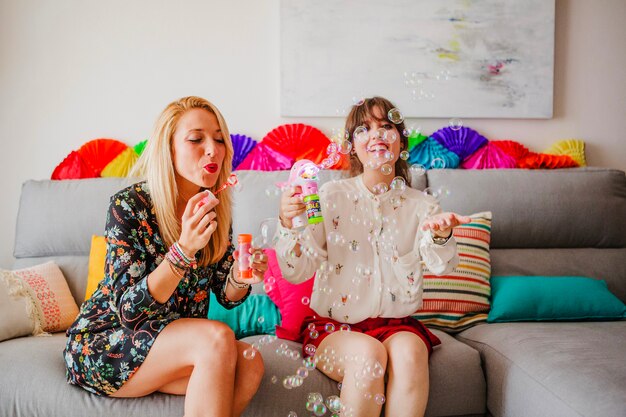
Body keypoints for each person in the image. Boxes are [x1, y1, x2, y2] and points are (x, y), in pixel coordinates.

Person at [64, 96, 267, 417]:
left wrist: (241, 278)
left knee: (250, 363)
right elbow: (129, 312)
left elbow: (226, 297)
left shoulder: (212, 207)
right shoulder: (129, 206)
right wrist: (184, 250)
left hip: (171, 346)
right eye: (196, 139)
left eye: (218, 139)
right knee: (216, 337)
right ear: (168, 149)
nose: (213, 149)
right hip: (108, 342)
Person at [276, 96, 471, 417]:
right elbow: (298, 270)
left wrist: (440, 234)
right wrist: (287, 223)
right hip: (334, 327)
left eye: (386, 127)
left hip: (397, 325)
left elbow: (442, 264)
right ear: (352, 146)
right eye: (364, 129)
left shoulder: (422, 206)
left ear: (400, 141)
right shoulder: (329, 196)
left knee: (410, 356)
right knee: (368, 355)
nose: (377, 135)